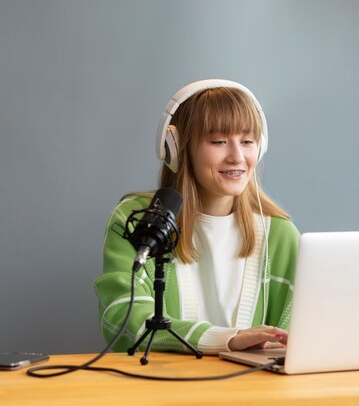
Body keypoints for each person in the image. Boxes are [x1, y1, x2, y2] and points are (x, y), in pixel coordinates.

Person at [94, 79, 300, 355]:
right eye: (218, 141)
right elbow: (120, 315)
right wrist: (225, 339)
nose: (237, 156)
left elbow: (302, 332)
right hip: (161, 391)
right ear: (176, 147)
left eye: (248, 141)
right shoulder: (139, 221)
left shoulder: (280, 235)